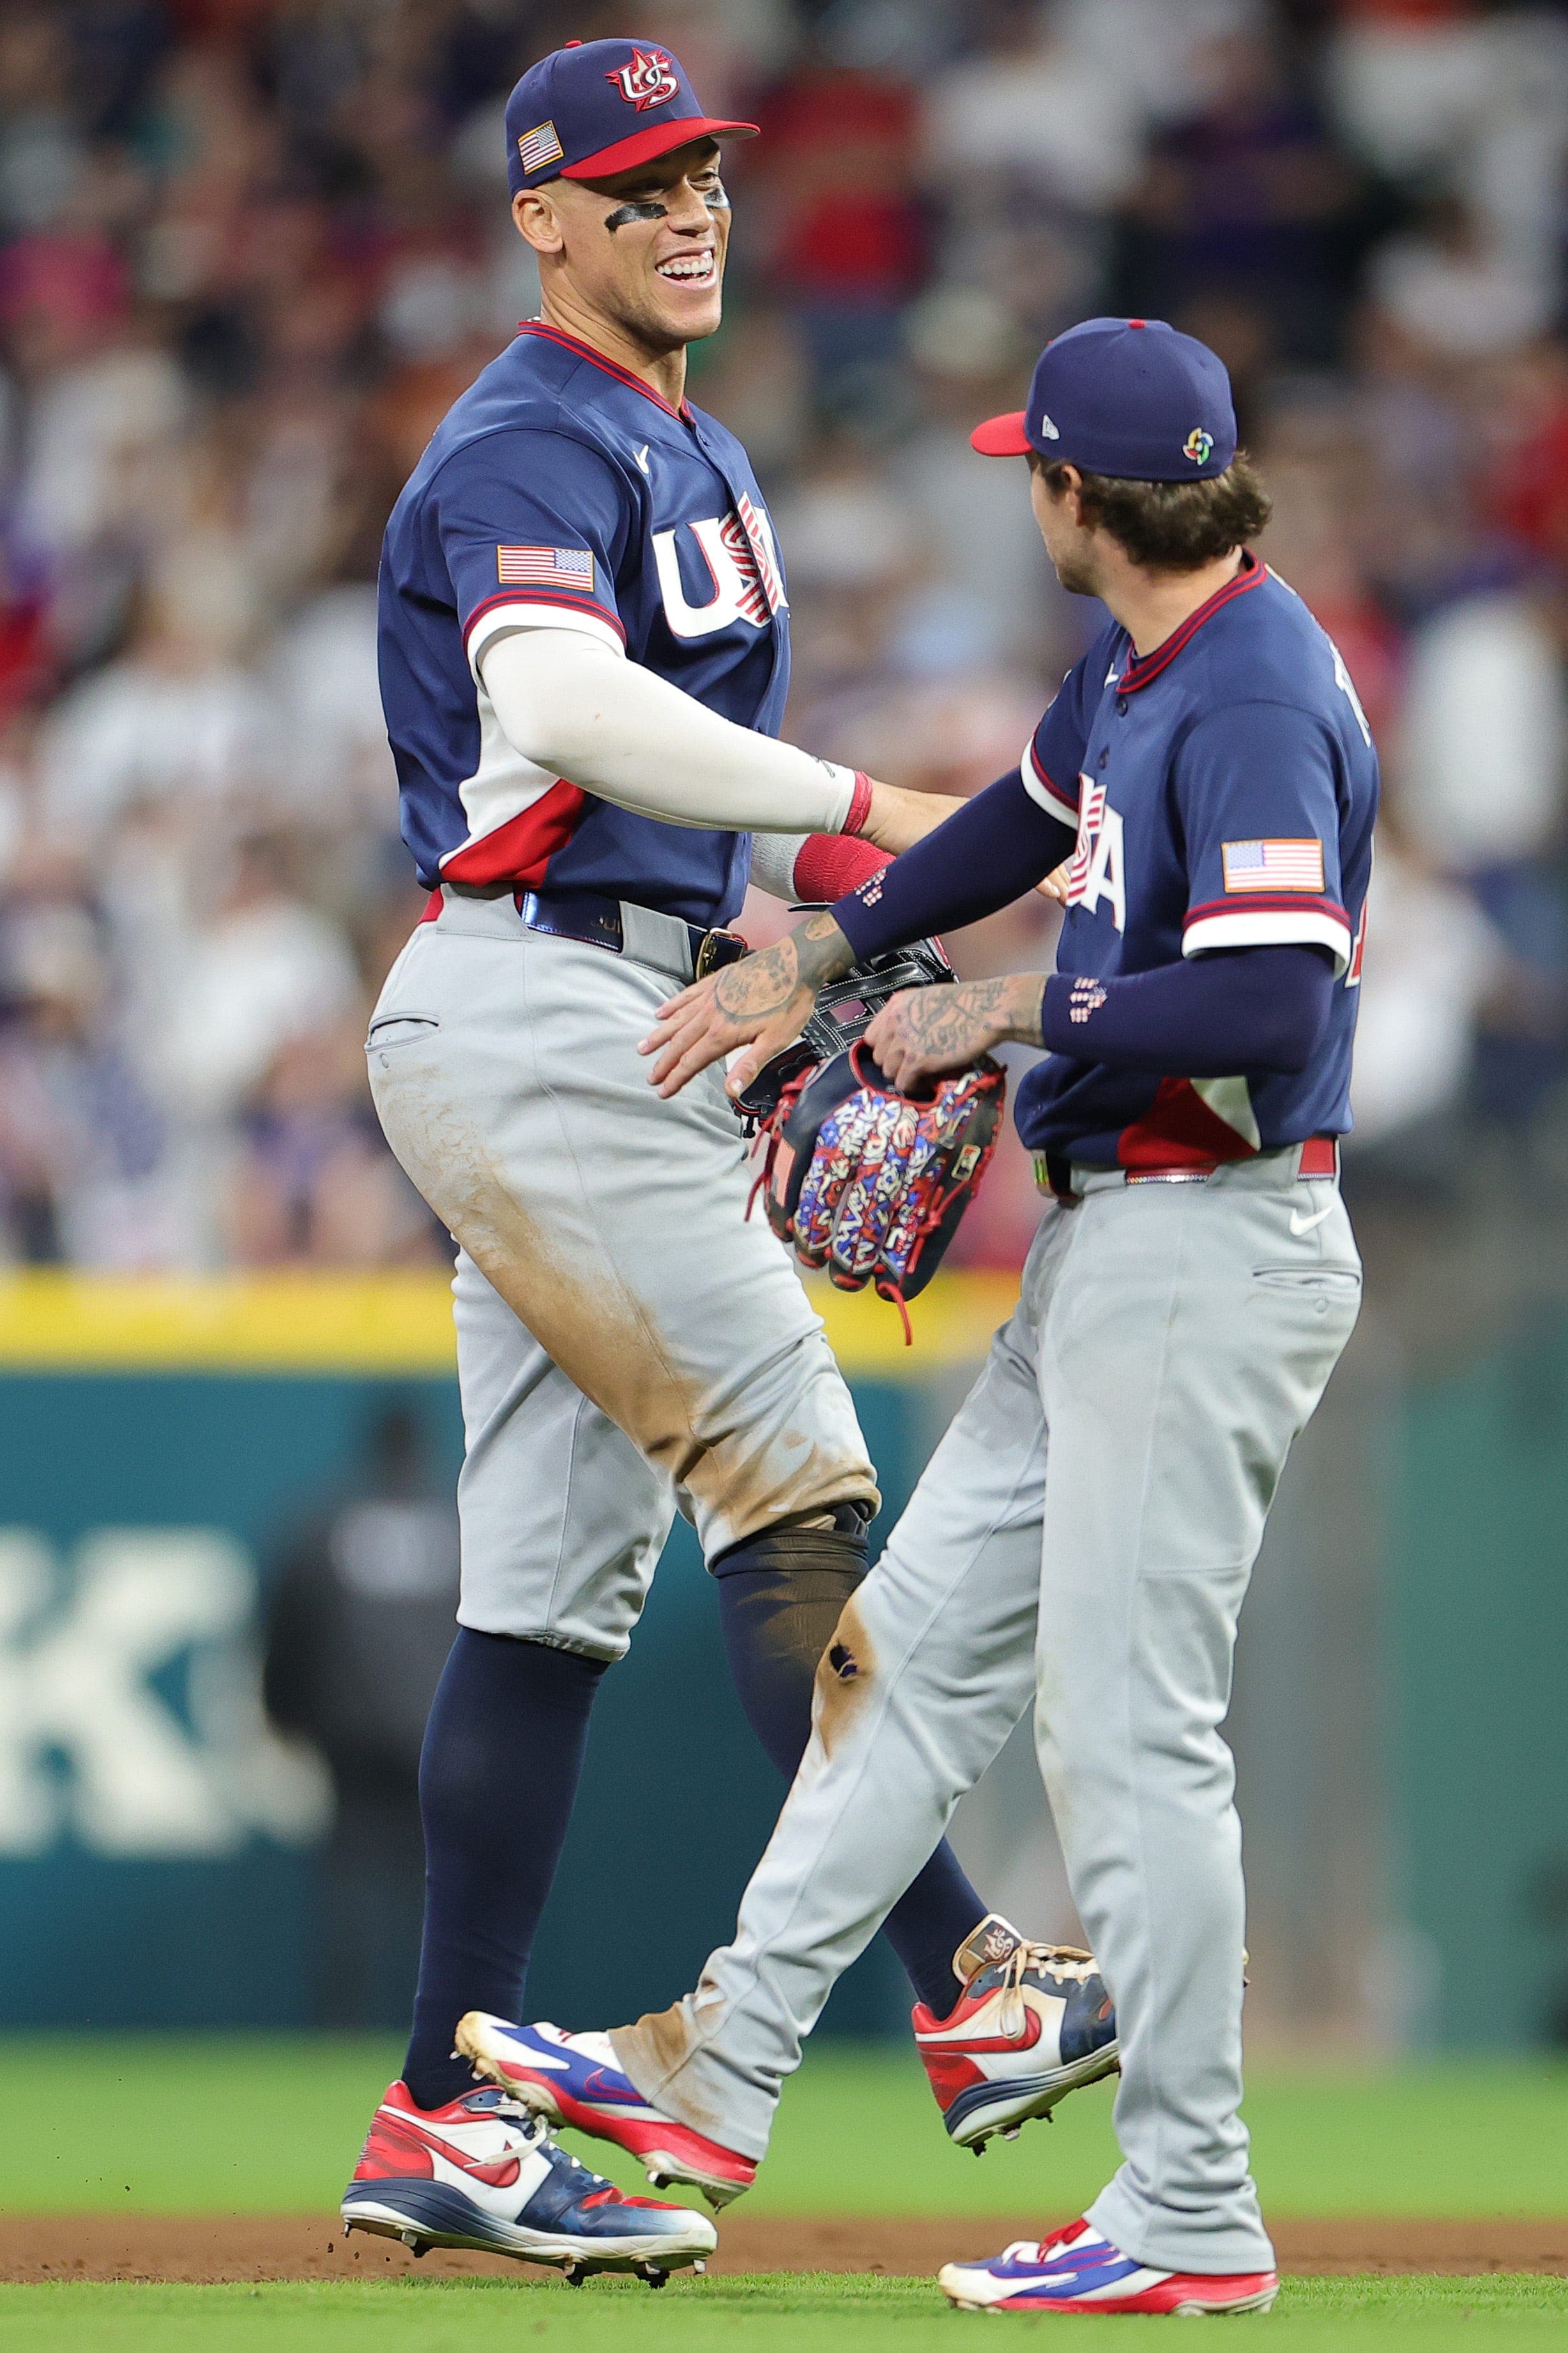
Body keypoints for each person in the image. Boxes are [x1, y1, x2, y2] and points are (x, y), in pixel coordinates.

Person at [463, 318, 1376, 2318]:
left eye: (1026, 469)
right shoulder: (1145, 665)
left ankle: (1194, 2213)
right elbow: (1016, 824)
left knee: (1126, 1734)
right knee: (901, 1663)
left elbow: (1281, 1003)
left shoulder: (1252, 689)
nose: (1018, 494)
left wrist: (1017, 1003)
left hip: (1211, 1240)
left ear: (1077, 490)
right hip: (1111, 1245)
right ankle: (722, 2068)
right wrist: (835, 946)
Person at [340, 38, 1114, 2281]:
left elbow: (653, 777)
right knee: (798, 1492)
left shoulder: (696, 434)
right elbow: (561, 707)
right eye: (641, 176)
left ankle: (441, 2111)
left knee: (544, 1605)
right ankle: (963, 1982)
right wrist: (859, 813)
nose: (693, 204)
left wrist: (781, 923)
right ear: (543, 218)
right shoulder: (521, 429)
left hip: (627, 994)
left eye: (708, 169)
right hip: (537, 997)